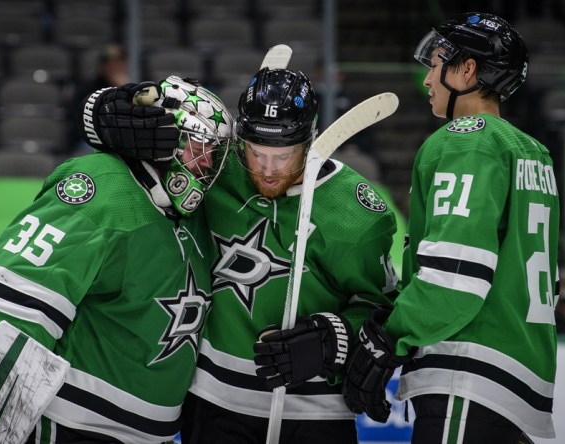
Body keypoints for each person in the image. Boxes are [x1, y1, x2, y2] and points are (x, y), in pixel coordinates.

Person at [82, 68, 400, 443]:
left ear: (309, 140)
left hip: (315, 411)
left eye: (282, 156)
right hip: (213, 403)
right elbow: (143, 137)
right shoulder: (216, 168)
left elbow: (384, 308)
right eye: (255, 153)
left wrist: (333, 338)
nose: (266, 170)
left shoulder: (355, 214)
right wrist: (103, 114)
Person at [0, 77, 234, 443]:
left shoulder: (197, 219)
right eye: (199, 147)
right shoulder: (106, 187)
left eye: (214, 153)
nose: (206, 165)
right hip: (73, 427)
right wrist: (8, 411)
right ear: (166, 133)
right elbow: (11, 299)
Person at [342, 12, 560, 443]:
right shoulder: (534, 152)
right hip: (522, 379)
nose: (427, 79)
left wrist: (388, 337)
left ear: (467, 69)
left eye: (437, 62)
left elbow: (455, 279)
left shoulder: (465, 139)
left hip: (470, 374)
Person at [69, 43, 131, 153]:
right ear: (102, 66)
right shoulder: (87, 89)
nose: (115, 67)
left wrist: (124, 89)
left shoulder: (133, 87)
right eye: (111, 63)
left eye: (119, 63)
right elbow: (81, 122)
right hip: (91, 139)